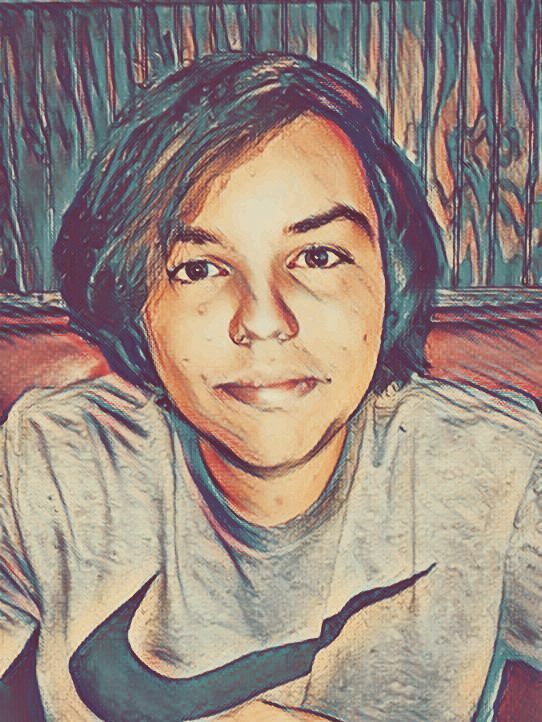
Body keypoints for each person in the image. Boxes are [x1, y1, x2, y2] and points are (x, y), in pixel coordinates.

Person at [0, 51, 541, 722]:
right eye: (198, 268)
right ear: (135, 301)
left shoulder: (494, 467)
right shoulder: (55, 460)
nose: (262, 320)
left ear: (391, 276)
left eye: (317, 256)